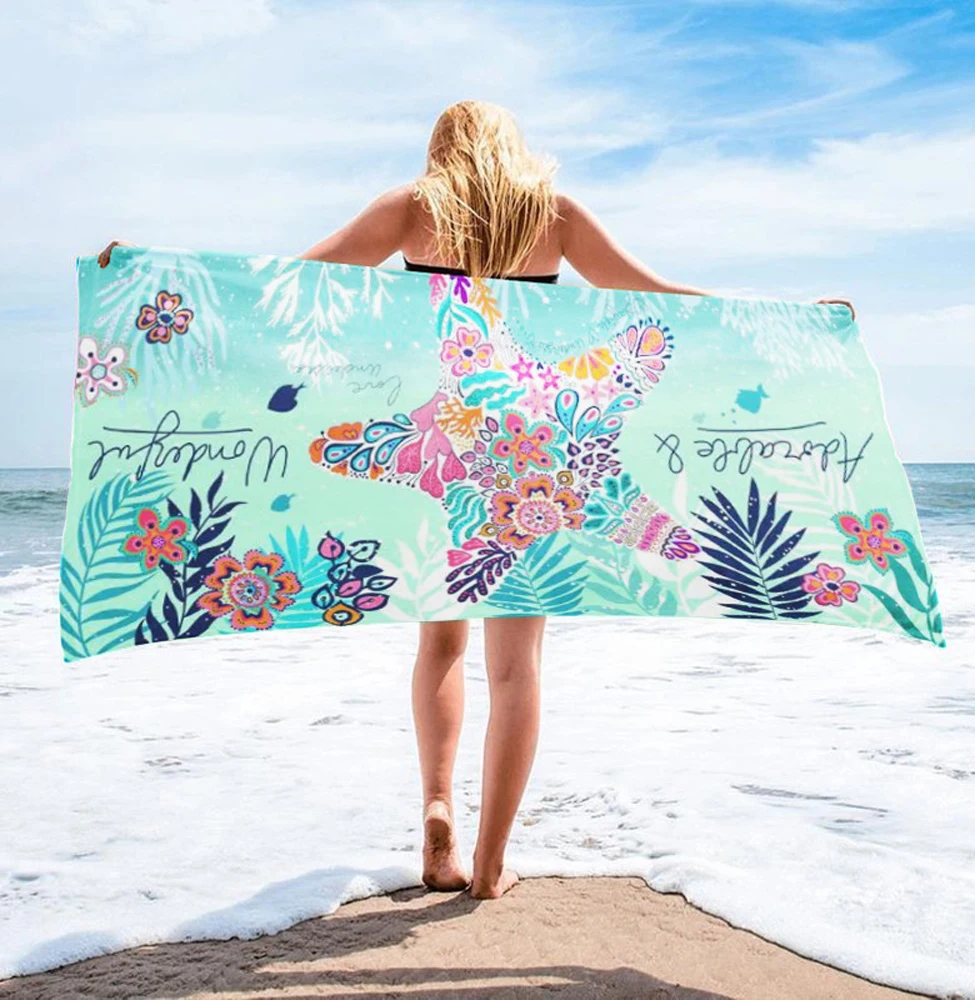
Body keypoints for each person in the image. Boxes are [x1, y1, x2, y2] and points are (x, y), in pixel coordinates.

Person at [98, 99, 853, 900]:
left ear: (440, 150)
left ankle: (437, 812)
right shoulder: (554, 214)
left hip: (449, 453)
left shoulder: (412, 209)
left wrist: (150, 281)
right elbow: (660, 298)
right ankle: (490, 867)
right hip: (552, 465)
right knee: (517, 671)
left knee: (441, 647)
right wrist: (798, 323)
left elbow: (283, 287)